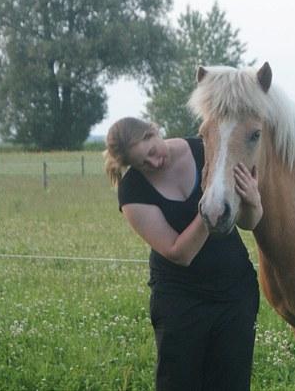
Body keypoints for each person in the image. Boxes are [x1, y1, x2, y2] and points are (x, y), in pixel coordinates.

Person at [103, 117, 262, 391]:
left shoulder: (204, 150)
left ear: (155, 130)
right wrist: (209, 207)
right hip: (180, 303)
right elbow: (179, 253)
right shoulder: (132, 190)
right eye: (142, 163)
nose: (153, 163)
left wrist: (254, 201)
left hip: (235, 295)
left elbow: (248, 222)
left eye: (152, 151)